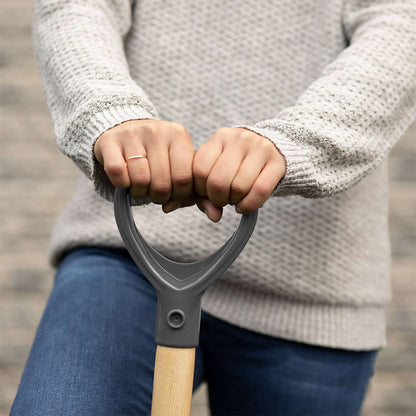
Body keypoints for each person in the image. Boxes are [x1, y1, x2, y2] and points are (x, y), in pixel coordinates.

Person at [12, 0, 416, 415]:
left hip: (312, 294)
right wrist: (111, 112)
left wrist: (294, 141)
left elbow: (402, 25)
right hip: (129, 258)